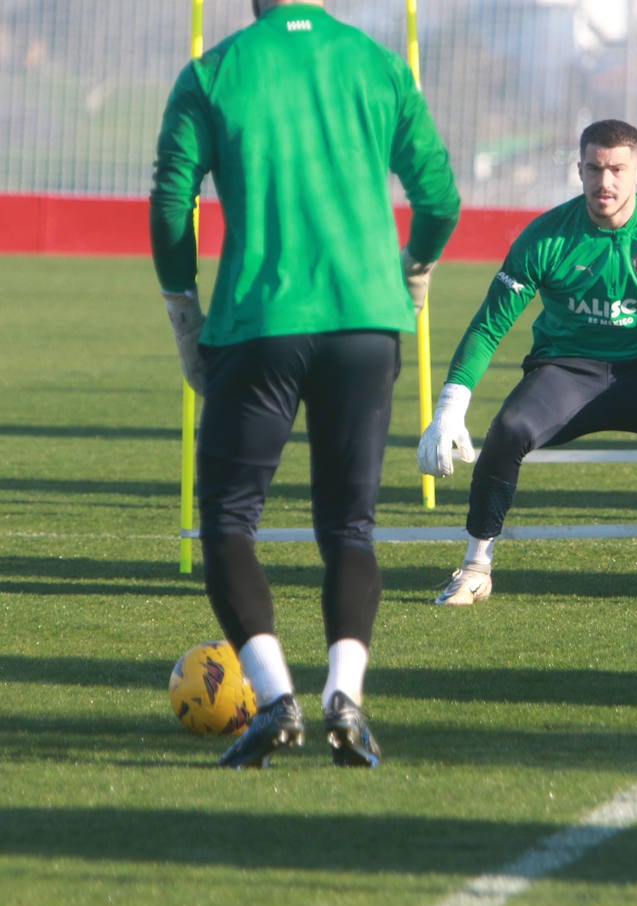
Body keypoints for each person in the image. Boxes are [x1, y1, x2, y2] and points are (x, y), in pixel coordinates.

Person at [148, 0, 460, 769]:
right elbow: (441, 199)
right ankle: (344, 698)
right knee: (349, 529)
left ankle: (275, 697)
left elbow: (169, 203)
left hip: (258, 322)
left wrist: (182, 308)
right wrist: (413, 270)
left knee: (227, 521)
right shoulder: (379, 63)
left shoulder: (213, 70)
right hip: (366, 319)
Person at [418, 119, 637, 612]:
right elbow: (488, 327)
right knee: (509, 427)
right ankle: (476, 566)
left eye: (616, 169)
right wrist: (449, 408)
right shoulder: (546, 236)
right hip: (566, 370)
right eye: (593, 168)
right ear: (580, 169)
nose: (604, 181)